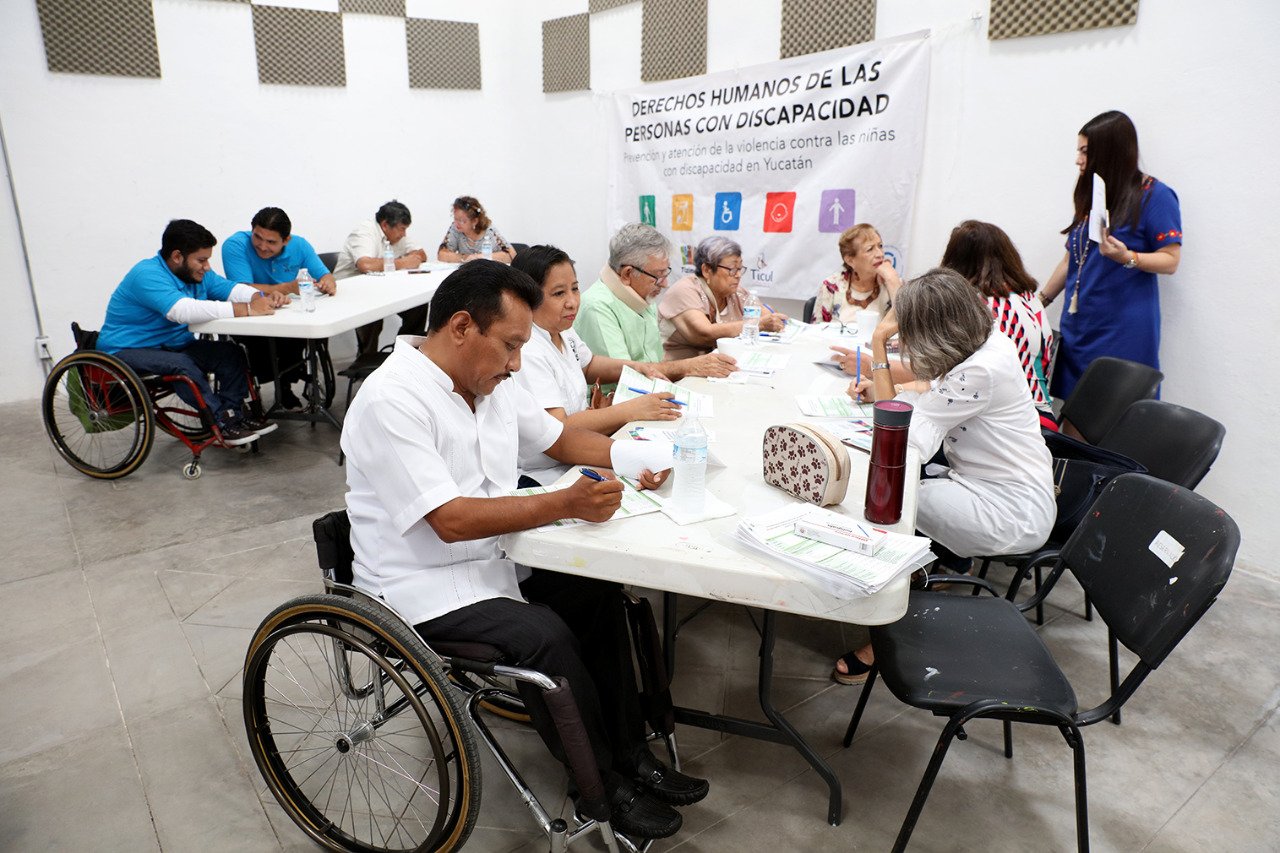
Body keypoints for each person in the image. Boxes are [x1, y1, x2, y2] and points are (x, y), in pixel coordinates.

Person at [341, 260, 708, 840]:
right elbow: (451, 519)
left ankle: (630, 755)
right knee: (544, 637)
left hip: (493, 561)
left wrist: (641, 462)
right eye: (510, 346)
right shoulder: (392, 400)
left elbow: (560, 439)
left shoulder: (487, 386)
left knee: (598, 594)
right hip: (419, 586)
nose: (516, 364)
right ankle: (600, 787)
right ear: (462, 327)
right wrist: (564, 504)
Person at [834, 269, 1054, 685]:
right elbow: (920, 393)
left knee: (890, 500)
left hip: (1009, 511)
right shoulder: (983, 344)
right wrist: (903, 393)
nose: (906, 342)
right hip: (988, 485)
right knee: (898, 492)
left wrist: (880, 342)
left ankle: (889, 622)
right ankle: (922, 579)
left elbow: (899, 440)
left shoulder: (979, 370)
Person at [95, 219, 283, 446]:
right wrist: (248, 310)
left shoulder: (194, 273)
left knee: (230, 353)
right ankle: (219, 421)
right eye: (202, 260)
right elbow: (181, 311)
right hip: (127, 349)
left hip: (172, 344)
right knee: (182, 364)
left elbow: (229, 288)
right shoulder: (146, 274)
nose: (207, 266)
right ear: (177, 257)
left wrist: (259, 297)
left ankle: (232, 416)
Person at [1039, 110, 1182, 400]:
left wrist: (1127, 256)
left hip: (1122, 331)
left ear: (1110, 152)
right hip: (1080, 327)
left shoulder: (1155, 195)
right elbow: (1072, 258)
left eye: (1085, 152)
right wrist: (1040, 302)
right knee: (1072, 415)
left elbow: (1170, 260)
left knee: (1115, 416)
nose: (1078, 159)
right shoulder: (1095, 194)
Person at [511, 245, 683, 485]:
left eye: (575, 288)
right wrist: (631, 410)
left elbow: (589, 365)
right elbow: (558, 428)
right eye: (559, 293)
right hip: (546, 472)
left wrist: (635, 367)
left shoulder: (563, 330)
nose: (572, 302)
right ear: (528, 298)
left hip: (583, 451)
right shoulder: (528, 349)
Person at [574, 223, 737, 386]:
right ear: (627, 274)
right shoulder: (597, 307)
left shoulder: (643, 296)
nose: (665, 284)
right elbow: (625, 377)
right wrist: (689, 366)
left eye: (666, 273)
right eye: (658, 276)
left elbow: (653, 361)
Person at [940, 220, 1057, 430]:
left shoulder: (984, 306)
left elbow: (943, 373)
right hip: (1041, 413)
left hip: (1013, 422)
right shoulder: (1029, 299)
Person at [222, 207, 337, 411]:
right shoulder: (235, 245)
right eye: (257, 237)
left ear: (286, 240)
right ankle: (275, 381)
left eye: (271, 242)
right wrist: (286, 288)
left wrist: (328, 282)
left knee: (303, 332)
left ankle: (285, 384)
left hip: (288, 317)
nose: (262, 246)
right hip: (251, 318)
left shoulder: (300, 245)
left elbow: (324, 275)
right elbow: (241, 289)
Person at [657, 236, 786, 359]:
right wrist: (759, 324)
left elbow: (768, 316)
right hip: (676, 372)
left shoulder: (736, 293)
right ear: (707, 270)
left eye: (740, 268)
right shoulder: (685, 290)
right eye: (732, 269)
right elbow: (704, 333)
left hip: (713, 368)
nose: (738, 275)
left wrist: (773, 320)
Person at [332, 199, 431, 357]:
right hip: (351, 291)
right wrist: (404, 262)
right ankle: (366, 360)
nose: (404, 234)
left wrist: (411, 258)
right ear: (385, 225)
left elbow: (421, 254)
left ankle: (404, 356)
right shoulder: (364, 232)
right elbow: (365, 265)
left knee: (417, 307)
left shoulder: (396, 235)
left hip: (379, 289)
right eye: (402, 229)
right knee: (372, 315)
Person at [813, 223, 898, 325]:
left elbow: (908, 330)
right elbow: (815, 333)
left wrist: (892, 280)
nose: (880, 254)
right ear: (850, 260)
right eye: (870, 249)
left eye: (880, 246)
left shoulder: (893, 282)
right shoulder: (831, 286)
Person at [437, 195, 515, 263]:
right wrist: (465, 258)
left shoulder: (489, 231)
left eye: (462, 221)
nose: (457, 223)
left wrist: (480, 257)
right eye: (455, 219)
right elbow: (442, 254)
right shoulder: (456, 228)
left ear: (474, 221)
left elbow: (512, 255)